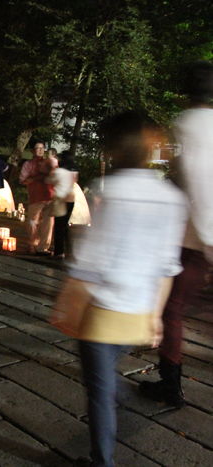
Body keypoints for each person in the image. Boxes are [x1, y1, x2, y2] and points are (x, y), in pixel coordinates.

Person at [67, 112, 187, 467]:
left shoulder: (110, 191)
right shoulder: (171, 197)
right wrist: (155, 317)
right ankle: (115, 393)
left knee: (99, 391)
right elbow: (168, 266)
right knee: (102, 378)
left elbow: (92, 259)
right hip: (139, 312)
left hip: (104, 312)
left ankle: (103, 460)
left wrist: (71, 299)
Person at [140, 61, 213, 408]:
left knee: (173, 309)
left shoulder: (188, 124)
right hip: (199, 233)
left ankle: (171, 385)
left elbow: (201, 180)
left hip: (195, 237)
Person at [19, 141, 54, 254]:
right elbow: (23, 180)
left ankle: (43, 247)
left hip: (49, 196)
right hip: (35, 197)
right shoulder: (28, 164)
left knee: (48, 222)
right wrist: (35, 178)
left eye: (41, 148)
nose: (39, 150)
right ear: (32, 151)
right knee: (32, 222)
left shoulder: (48, 162)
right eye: (37, 148)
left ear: (44, 149)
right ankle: (33, 243)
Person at [46, 151, 79, 259]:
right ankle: (70, 251)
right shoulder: (74, 171)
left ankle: (59, 252)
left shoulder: (59, 171)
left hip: (61, 200)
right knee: (65, 226)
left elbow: (48, 180)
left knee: (59, 227)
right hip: (71, 198)